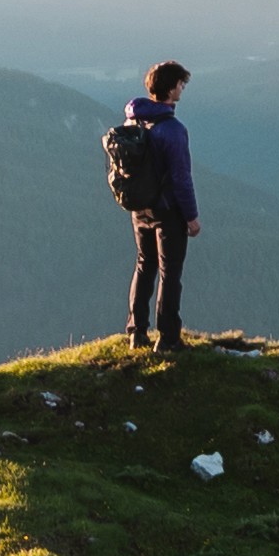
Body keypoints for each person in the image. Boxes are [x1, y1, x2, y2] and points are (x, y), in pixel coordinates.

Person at [110, 61, 200, 349]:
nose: (182, 89)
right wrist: (192, 217)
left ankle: (137, 333)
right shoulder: (172, 129)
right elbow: (181, 178)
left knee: (143, 266)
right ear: (171, 88)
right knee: (169, 273)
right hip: (168, 211)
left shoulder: (133, 121)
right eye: (181, 84)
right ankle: (169, 338)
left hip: (140, 208)